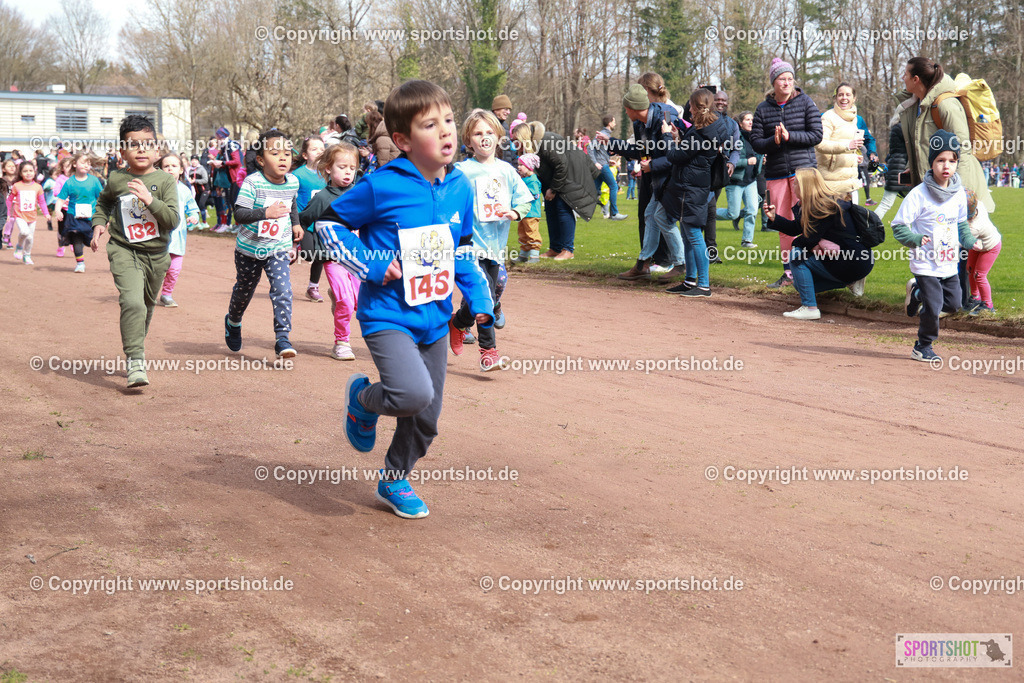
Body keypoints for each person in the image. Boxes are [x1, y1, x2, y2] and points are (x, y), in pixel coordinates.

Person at [315, 79, 494, 519]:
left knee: (427, 418)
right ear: (402, 140)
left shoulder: (460, 188)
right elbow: (328, 226)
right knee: (411, 394)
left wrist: (478, 297)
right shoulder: (382, 186)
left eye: (449, 120)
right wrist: (372, 264)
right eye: (430, 125)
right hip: (387, 315)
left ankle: (395, 478)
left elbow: (464, 248)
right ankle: (363, 401)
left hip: (434, 318)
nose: (447, 131)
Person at [895, 57, 995, 311]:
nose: (902, 79)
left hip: (957, 187)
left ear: (916, 79)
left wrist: (958, 191)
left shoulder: (946, 104)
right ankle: (926, 292)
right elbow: (921, 144)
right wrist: (913, 168)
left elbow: (962, 147)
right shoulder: (916, 105)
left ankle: (954, 300)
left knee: (956, 243)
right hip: (931, 187)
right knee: (935, 245)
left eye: (905, 74)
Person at [91, 115, 180, 388]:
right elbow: (104, 204)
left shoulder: (165, 181)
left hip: (157, 255)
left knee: (147, 306)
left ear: (157, 151)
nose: (141, 149)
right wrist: (98, 225)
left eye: (147, 144)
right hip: (123, 249)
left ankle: (135, 347)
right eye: (133, 145)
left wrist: (150, 200)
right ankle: (135, 361)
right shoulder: (117, 178)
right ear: (122, 152)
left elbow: (173, 220)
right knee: (132, 303)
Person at [450, 109, 532, 371]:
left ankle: (459, 322)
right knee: (483, 295)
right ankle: (489, 352)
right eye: (477, 133)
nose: (484, 138)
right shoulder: (462, 170)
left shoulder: (507, 170)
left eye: (489, 133)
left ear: (498, 137)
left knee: (484, 296)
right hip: (468, 247)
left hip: (495, 249)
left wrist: (515, 211)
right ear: (468, 140)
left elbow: (525, 198)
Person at [893, 130, 975, 363]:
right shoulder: (918, 195)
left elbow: (961, 224)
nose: (946, 166)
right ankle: (923, 345)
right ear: (931, 163)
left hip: (948, 261)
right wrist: (916, 239)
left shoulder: (959, 193)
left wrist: (969, 241)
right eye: (940, 160)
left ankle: (916, 292)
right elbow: (898, 226)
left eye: (952, 160)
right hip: (925, 262)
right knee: (934, 304)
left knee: (955, 304)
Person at [223, 129, 302, 359]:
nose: (283, 158)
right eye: (275, 153)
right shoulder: (252, 183)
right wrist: (266, 212)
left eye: (287, 153)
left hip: (278, 247)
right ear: (260, 160)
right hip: (249, 249)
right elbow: (239, 214)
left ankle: (282, 338)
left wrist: (295, 223)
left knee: (283, 289)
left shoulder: (293, 181)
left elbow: (292, 201)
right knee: (245, 289)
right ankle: (233, 321)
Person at [750, 58, 823, 289]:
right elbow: (756, 143)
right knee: (781, 223)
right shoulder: (762, 109)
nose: (787, 83)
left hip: (804, 172)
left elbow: (816, 135)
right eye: (782, 79)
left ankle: (813, 269)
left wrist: (790, 137)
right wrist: (775, 141)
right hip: (776, 174)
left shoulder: (806, 102)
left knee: (810, 222)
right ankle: (788, 273)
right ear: (773, 82)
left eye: (790, 79)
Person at [764, 168, 874, 319]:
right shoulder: (814, 203)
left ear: (804, 186)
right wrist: (774, 218)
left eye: (796, 183)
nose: (794, 186)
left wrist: (812, 243)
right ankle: (851, 281)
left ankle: (810, 308)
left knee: (797, 257)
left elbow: (807, 240)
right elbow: (797, 229)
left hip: (853, 260)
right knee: (799, 284)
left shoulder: (822, 207)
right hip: (852, 259)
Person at [605, 82, 684, 277]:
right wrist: (612, 143)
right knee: (651, 215)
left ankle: (681, 264)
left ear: (632, 108)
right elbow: (642, 151)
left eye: (625, 108)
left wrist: (653, 165)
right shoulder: (639, 123)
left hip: (674, 178)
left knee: (661, 218)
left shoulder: (666, 117)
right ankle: (643, 265)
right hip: (658, 179)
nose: (625, 112)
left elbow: (676, 155)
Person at [661, 88, 732, 297]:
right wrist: (679, 136)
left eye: (690, 105)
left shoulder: (702, 132)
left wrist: (666, 136)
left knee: (693, 235)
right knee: (687, 234)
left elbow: (675, 156)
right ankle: (690, 281)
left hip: (690, 189)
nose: (688, 108)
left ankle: (703, 285)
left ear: (696, 106)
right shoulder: (710, 127)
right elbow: (692, 152)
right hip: (695, 187)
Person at [298, 142, 362, 360]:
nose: (348, 172)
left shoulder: (360, 193)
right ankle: (342, 342)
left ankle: (336, 294)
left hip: (359, 257)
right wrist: (303, 241)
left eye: (352, 168)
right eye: (342, 167)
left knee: (359, 303)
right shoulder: (322, 198)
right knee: (346, 301)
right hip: (334, 258)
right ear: (328, 169)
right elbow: (303, 219)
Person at [512, 121, 600, 260]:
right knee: (550, 208)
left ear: (523, 137)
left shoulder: (547, 142)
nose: (514, 144)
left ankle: (567, 250)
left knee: (562, 208)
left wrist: (553, 189)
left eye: (516, 140)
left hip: (572, 173)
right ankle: (555, 248)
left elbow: (562, 165)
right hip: (556, 177)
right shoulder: (531, 148)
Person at [816, 83, 874, 204]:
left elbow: (848, 148)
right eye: (840, 95)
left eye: (848, 95)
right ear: (836, 98)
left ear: (854, 98)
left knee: (852, 221)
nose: (844, 98)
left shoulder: (855, 119)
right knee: (834, 221)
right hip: (831, 182)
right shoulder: (828, 117)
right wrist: (848, 146)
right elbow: (820, 145)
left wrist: (853, 157)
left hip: (850, 181)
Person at [701, 89, 741, 263]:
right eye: (717, 99)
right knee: (707, 212)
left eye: (724, 100)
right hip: (702, 170)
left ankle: (705, 252)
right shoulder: (705, 119)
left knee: (708, 212)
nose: (721, 102)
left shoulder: (732, 124)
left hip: (718, 174)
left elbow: (736, 148)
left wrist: (731, 162)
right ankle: (708, 252)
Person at [157, 153, 201, 307]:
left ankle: (166, 295)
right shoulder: (156, 189)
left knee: (174, 269)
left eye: (174, 166)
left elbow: (193, 208)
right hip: (158, 238)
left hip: (177, 238)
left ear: (181, 170)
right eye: (166, 166)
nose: (170, 169)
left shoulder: (184, 190)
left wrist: (193, 216)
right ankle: (146, 292)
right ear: (160, 170)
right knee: (156, 270)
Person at [52, 154, 102, 273]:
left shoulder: (94, 181)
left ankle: (90, 240)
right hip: (73, 216)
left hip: (90, 217)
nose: (87, 165)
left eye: (89, 163)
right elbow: (61, 199)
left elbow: (101, 198)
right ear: (75, 164)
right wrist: (58, 210)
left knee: (89, 241)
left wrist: (105, 216)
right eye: (84, 162)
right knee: (76, 240)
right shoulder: (69, 182)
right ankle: (80, 263)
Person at [718, 111, 762, 248]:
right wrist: (746, 162)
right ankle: (708, 212)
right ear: (740, 123)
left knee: (752, 210)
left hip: (751, 181)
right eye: (747, 119)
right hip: (735, 182)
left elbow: (757, 156)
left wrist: (761, 160)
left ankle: (747, 240)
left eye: (752, 120)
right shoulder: (734, 138)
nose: (751, 122)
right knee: (732, 214)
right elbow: (728, 160)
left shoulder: (755, 137)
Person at [293, 137, 328, 303]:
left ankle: (313, 287)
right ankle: (294, 248)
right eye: (315, 149)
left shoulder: (328, 173)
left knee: (321, 254)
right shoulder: (297, 175)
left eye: (322, 148)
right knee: (308, 254)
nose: (320, 152)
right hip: (303, 223)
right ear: (305, 155)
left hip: (322, 223)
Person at [962, 189, 1001, 315]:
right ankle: (975, 297)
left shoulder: (974, 227)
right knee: (970, 268)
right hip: (978, 245)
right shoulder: (979, 205)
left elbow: (960, 241)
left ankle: (988, 304)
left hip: (990, 247)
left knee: (979, 275)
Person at [9, 161, 50, 264]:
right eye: (25, 171)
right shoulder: (16, 186)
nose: (28, 173)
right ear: (21, 173)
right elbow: (9, 200)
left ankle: (27, 255)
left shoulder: (38, 187)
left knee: (30, 237)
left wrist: (46, 213)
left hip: (32, 216)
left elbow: (42, 202)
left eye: (31, 171)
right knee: (24, 232)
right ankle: (19, 246)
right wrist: (8, 213)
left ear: (34, 172)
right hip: (20, 215)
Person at [588, 115, 628, 221]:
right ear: (609, 123)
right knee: (614, 186)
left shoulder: (605, 134)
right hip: (602, 167)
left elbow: (599, 151)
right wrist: (595, 163)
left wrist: (608, 159)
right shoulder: (603, 134)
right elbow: (590, 148)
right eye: (614, 122)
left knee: (594, 191)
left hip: (602, 164)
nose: (615, 124)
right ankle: (614, 214)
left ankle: (575, 210)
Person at [874, 121, 908, 220]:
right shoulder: (904, 127)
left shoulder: (896, 128)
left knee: (885, 204)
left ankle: (869, 226)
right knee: (915, 205)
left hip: (894, 169)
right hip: (903, 169)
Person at [514, 153, 543, 263]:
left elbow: (535, 194)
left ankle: (534, 255)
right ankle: (523, 255)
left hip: (531, 212)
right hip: (522, 213)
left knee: (532, 233)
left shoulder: (533, 180)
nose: (519, 167)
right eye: (518, 165)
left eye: (521, 165)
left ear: (529, 167)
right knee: (522, 233)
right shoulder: (523, 179)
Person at [186, 156, 211, 223]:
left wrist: (195, 181)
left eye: (195, 160)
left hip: (204, 190)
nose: (194, 161)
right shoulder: (190, 170)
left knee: (201, 205)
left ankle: (204, 222)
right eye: (192, 160)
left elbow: (205, 180)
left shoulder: (202, 169)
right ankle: (196, 222)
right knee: (195, 207)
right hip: (197, 192)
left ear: (198, 161)